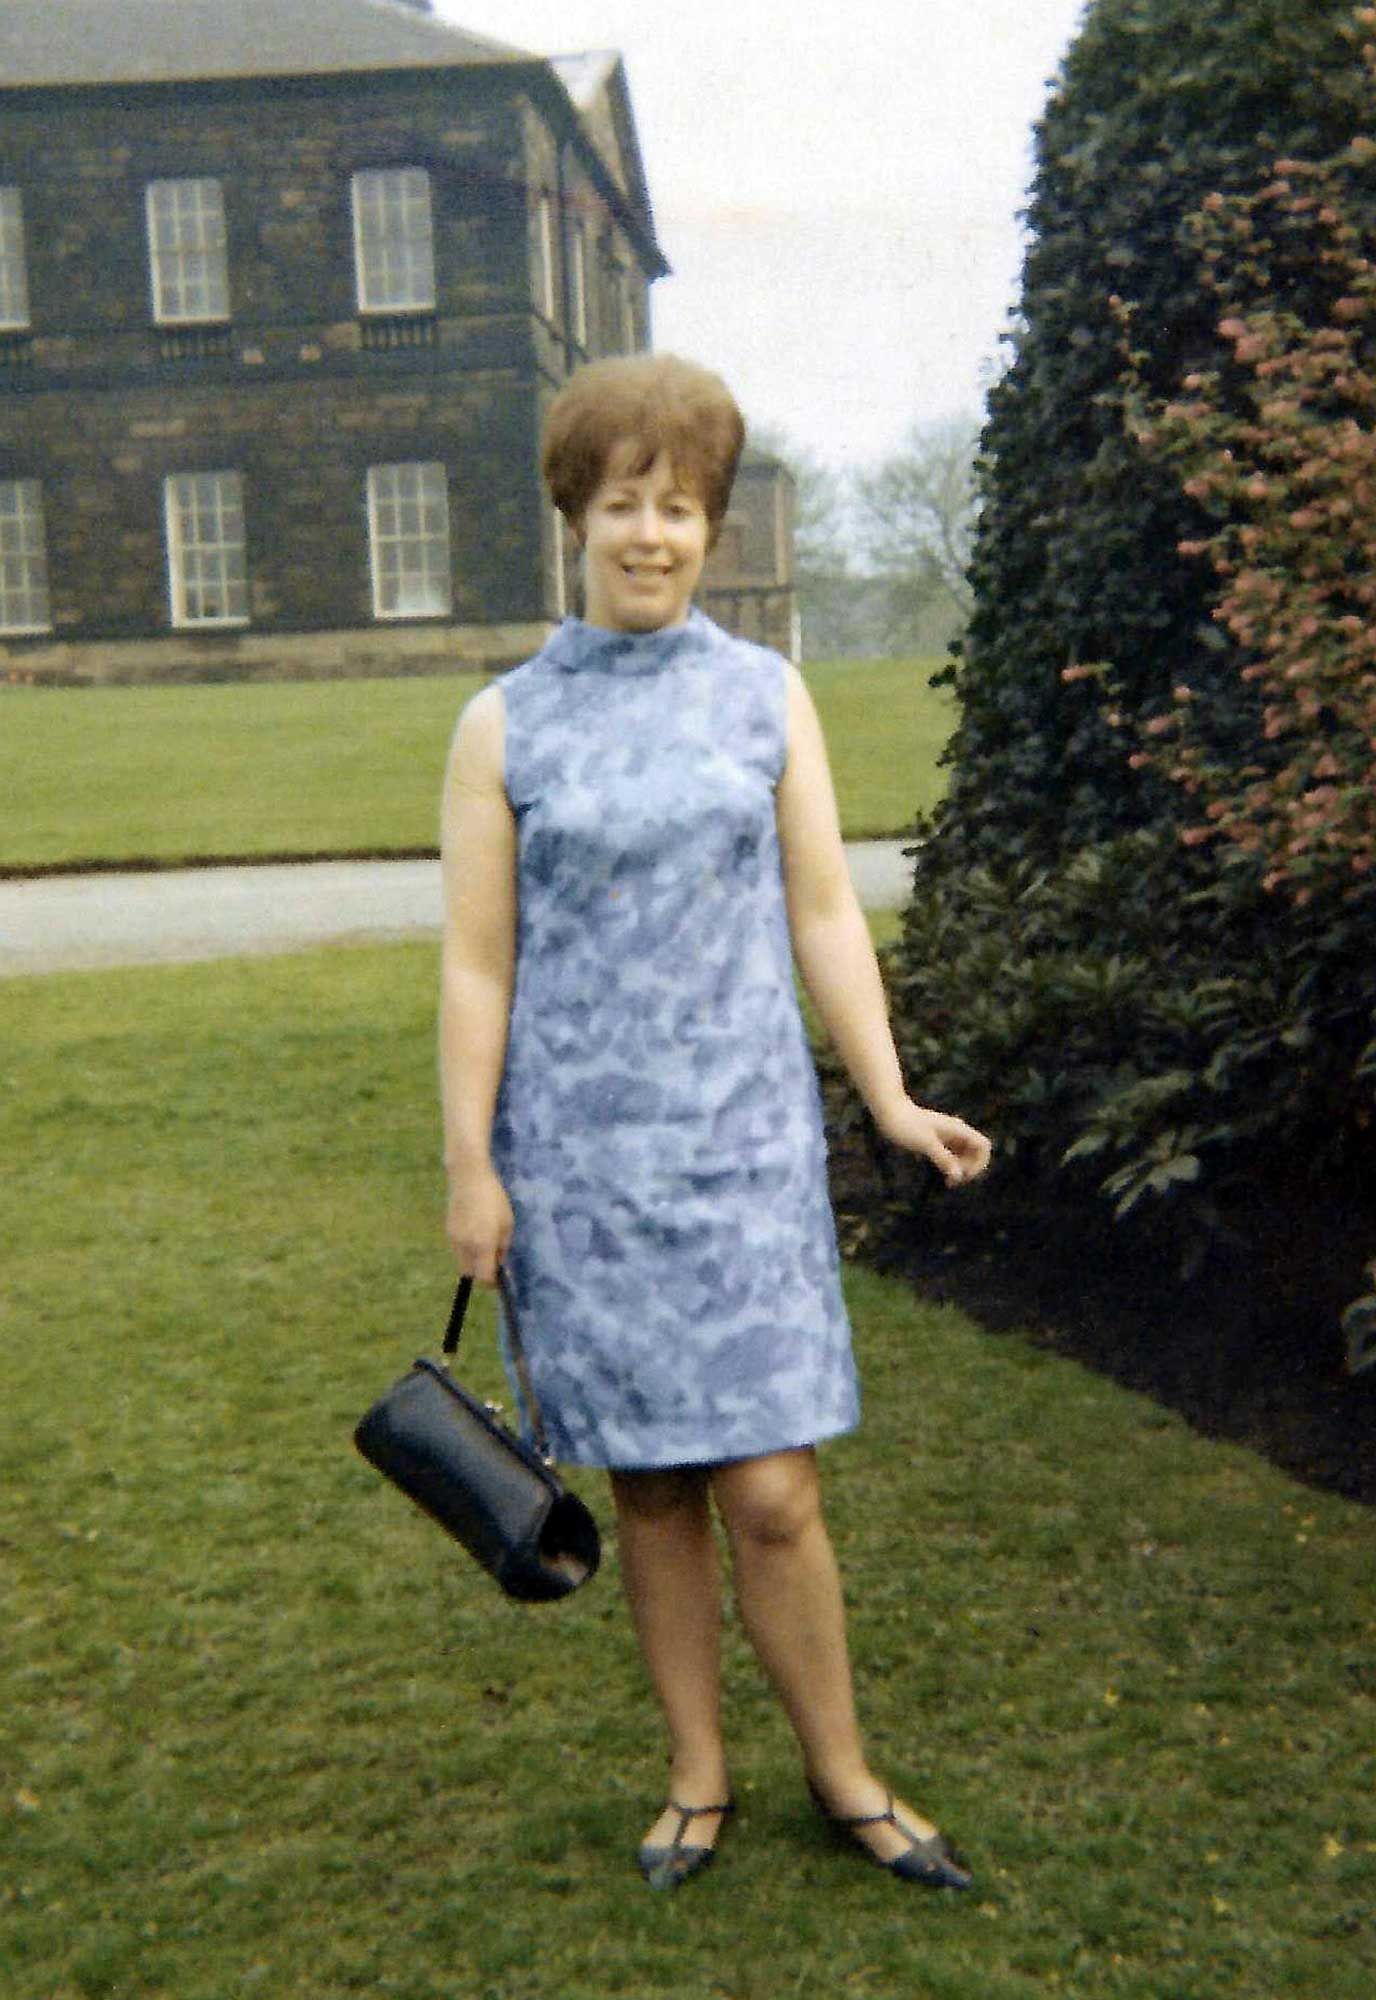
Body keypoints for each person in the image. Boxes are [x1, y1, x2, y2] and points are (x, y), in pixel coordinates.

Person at [438, 353, 992, 1892]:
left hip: (745, 1157)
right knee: (657, 1489)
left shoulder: (766, 696)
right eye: (624, 503)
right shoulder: (505, 727)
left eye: (680, 507)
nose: (652, 534)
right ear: (576, 516)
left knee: (772, 1487)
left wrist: (883, 1094)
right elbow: (479, 963)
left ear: (713, 526)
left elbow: (823, 910)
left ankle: (847, 1776)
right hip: (582, 1169)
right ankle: (696, 1776)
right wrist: (471, 1160)